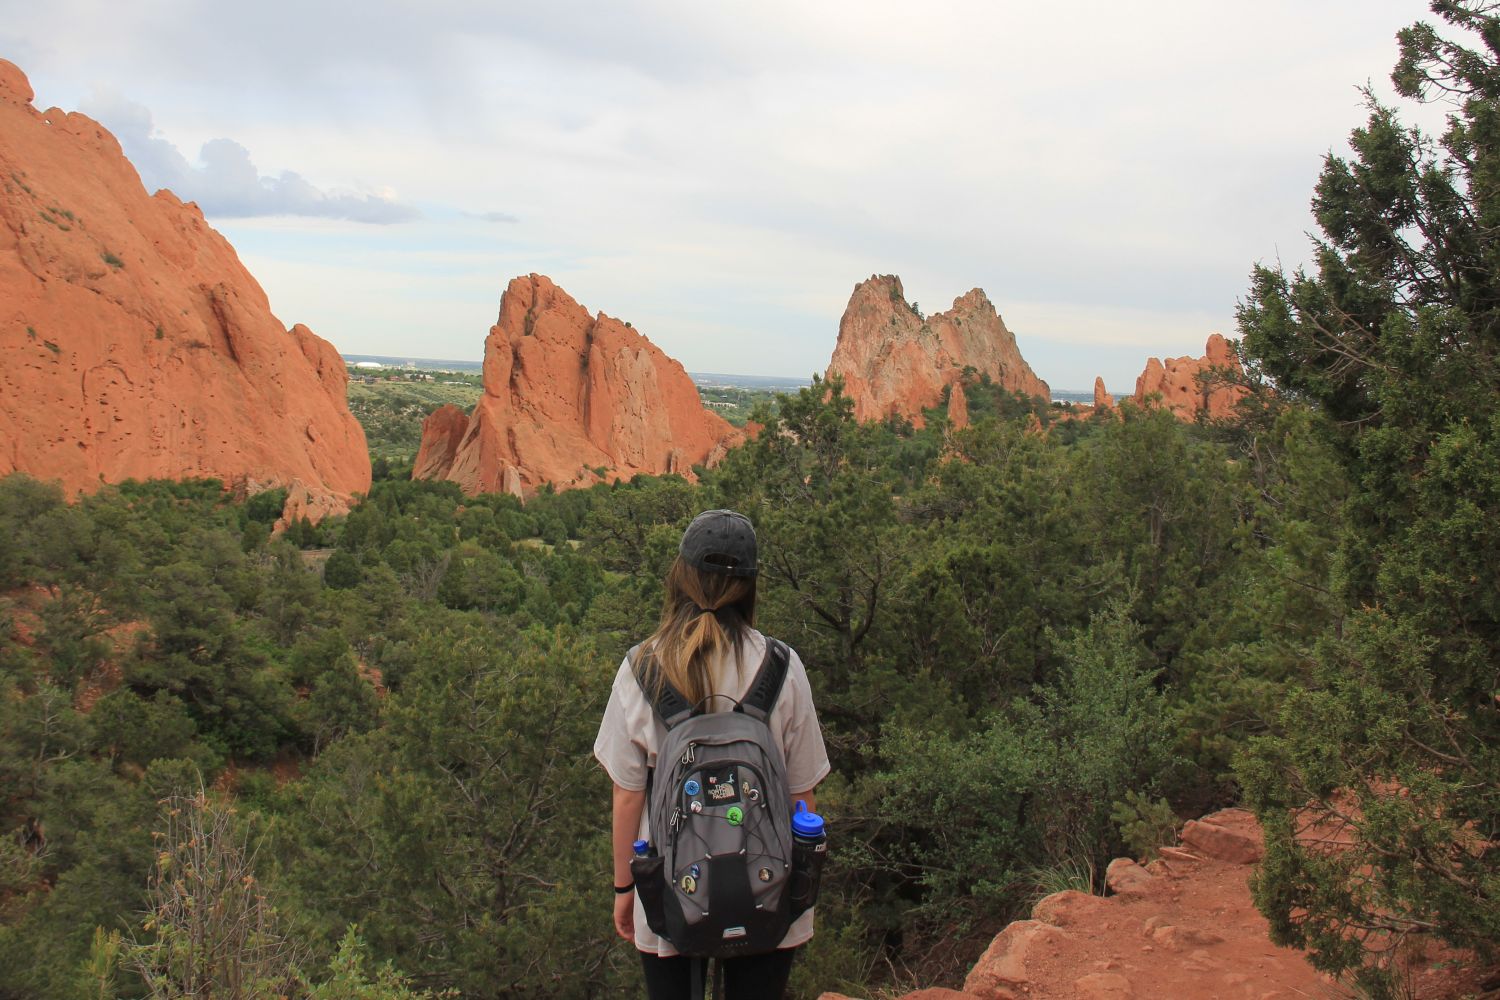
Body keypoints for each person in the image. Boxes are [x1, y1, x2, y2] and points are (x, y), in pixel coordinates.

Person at [594, 509, 830, 1000]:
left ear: (680, 576)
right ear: (749, 586)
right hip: (770, 884)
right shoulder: (782, 666)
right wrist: (801, 887)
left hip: (667, 888)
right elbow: (802, 791)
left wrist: (624, 890)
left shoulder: (642, 668)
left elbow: (627, 795)